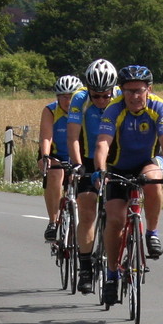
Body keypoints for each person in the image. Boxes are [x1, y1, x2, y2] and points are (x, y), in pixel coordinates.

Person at [91, 64, 163, 304]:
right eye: (129, 91)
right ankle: (111, 275)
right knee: (116, 219)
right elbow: (102, 144)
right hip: (118, 166)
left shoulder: (159, 106)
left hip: (147, 162)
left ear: (148, 89)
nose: (134, 96)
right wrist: (100, 171)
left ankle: (152, 233)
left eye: (139, 91)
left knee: (152, 180)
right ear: (121, 90)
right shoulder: (114, 108)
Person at [66, 59, 122, 294]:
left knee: (116, 211)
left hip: (116, 158)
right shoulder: (79, 99)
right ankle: (86, 268)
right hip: (88, 159)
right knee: (87, 209)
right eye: (96, 95)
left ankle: (116, 264)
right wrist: (78, 164)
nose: (101, 101)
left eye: (105, 96)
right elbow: (73, 137)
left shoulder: (121, 96)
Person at [39, 74, 84, 242]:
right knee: (54, 173)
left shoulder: (85, 111)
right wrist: (45, 156)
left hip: (78, 155)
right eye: (63, 96)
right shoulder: (51, 110)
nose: (68, 100)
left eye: (71, 96)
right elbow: (46, 137)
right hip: (55, 152)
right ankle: (53, 221)